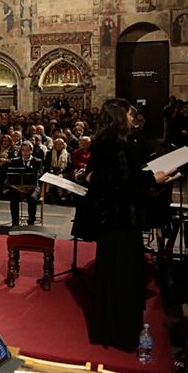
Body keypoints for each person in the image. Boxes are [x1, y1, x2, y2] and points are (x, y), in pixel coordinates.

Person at [88, 98, 174, 352]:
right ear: (117, 116)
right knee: (121, 276)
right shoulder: (111, 144)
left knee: (124, 274)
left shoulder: (116, 141)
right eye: (128, 113)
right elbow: (121, 184)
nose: (131, 118)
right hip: (119, 221)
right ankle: (119, 332)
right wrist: (152, 179)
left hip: (123, 219)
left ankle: (122, 327)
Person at [7, 141, 42, 226]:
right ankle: (15, 221)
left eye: (27, 150)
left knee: (32, 198)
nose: (25, 153)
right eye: (23, 150)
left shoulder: (37, 161)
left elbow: (40, 175)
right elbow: (11, 176)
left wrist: (31, 187)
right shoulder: (14, 161)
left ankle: (31, 221)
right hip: (18, 187)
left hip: (33, 187)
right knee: (13, 197)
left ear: (31, 151)